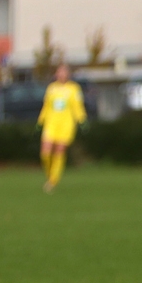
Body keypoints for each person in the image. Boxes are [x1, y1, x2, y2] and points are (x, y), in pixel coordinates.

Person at [37, 63, 87, 193]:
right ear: (56, 74)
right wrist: (41, 120)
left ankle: (53, 180)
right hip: (51, 123)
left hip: (66, 124)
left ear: (68, 74)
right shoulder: (51, 88)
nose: (61, 74)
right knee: (45, 153)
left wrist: (82, 119)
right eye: (59, 72)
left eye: (64, 72)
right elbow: (46, 106)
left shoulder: (74, 88)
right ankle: (50, 175)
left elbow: (78, 106)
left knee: (59, 150)